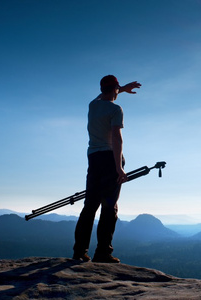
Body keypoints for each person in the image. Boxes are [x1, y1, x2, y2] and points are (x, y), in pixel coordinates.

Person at [73, 75, 141, 263]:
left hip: (93, 159)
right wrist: (119, 167)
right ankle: (103, 252)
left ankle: (79, 251)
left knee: (90, 206)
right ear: (115, 88)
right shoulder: (116, 109)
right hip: (110, 159)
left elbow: (102, 96)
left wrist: (122, 88)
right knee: (109, 206)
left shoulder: (92, 106)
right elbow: (117, 138)